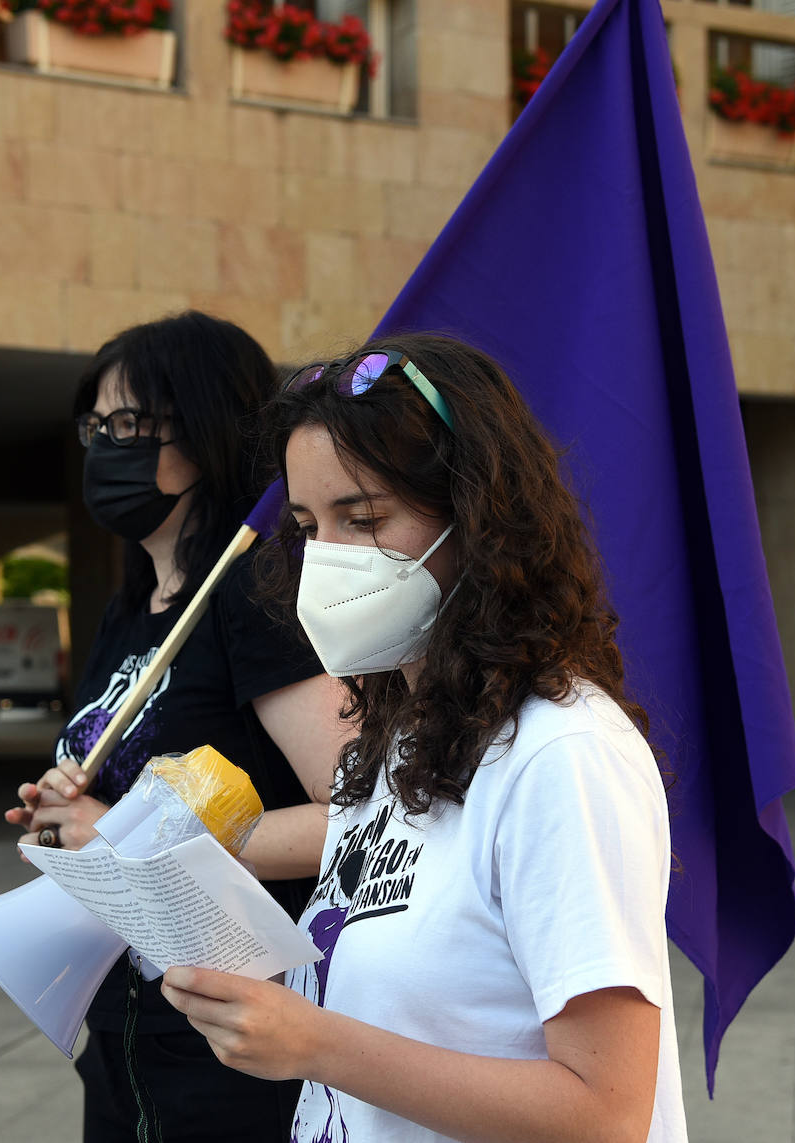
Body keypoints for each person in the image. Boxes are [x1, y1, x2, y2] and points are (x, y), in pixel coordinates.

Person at [160, 335, 688, 1143]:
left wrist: (313, 1041)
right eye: (306, 525)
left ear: (477, 520)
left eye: (364, 517)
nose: (325, 560)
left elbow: (605, 1110)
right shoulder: (394, 740)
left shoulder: (562, 755)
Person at [5, 311, 349, 1143]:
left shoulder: (252, 597)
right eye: (94, 425)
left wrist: (126, 839)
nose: (102, 447)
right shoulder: (131, 610)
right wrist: (69, 814)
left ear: (204, 430)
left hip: (234, 1040)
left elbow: (359, 812)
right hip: (127, 1026)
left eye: (127, 424)